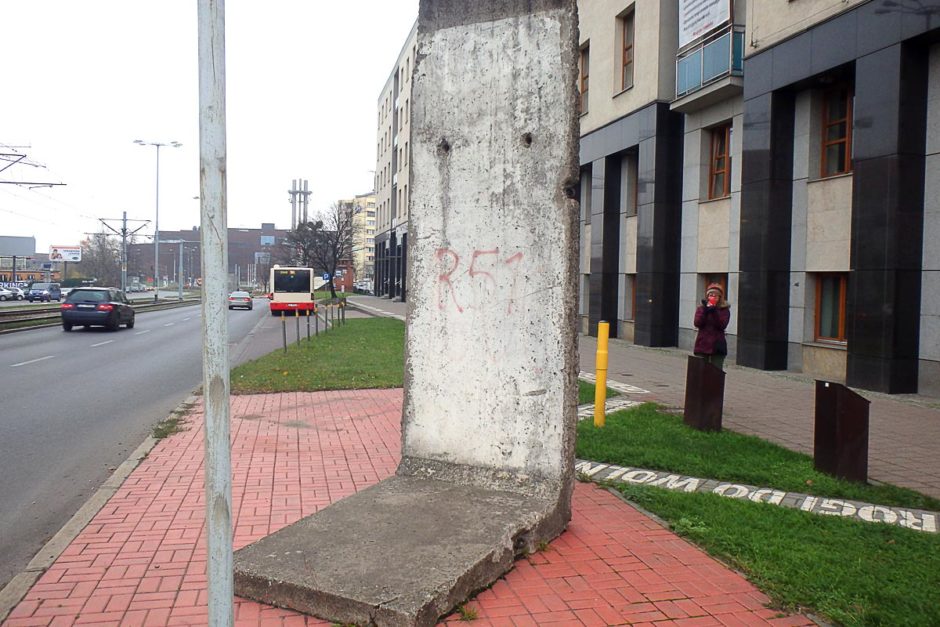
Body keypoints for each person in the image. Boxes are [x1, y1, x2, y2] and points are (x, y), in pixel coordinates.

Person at [693, 282, 731, 370]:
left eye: (716, 295)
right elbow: (697, 323)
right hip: (703, 343)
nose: (713, 297)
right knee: (701, 371)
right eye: (711, 295)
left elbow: (722, 325)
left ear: (720, 297)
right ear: (707, 296)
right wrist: (705, 311)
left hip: (717, 345)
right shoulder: (701, 309)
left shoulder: (724, 310)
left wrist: (714, 312)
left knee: (716, 371)